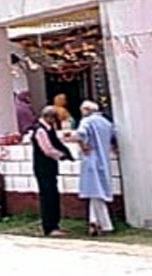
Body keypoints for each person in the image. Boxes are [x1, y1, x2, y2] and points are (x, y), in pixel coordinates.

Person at [75, 101, 116, 236]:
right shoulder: (106, 122)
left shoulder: (87, 121)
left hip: (91, 159)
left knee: (96, 192)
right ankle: (93, 221)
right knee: (96, 191)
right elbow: (114, 137)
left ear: (86, 109)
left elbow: (80, 134)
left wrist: (82, 145)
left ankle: (106, 225)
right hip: (104, 159)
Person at [32, 105, 72, 236]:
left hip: (49, 167)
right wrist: (61, 155)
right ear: (48, 117)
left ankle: (55, 224)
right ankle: (49, 227)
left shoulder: (48, 129)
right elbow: (47, 150)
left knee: (53, 194)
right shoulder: (40, 130)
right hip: (43, 167)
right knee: (48, 196)